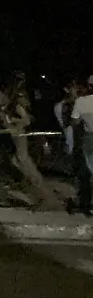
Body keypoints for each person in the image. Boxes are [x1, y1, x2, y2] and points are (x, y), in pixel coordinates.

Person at [69, 83, 93, 217]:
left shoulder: (81, 102)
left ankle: (89, 204)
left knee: (90, 171)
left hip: (90, 138)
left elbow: (74, 122)